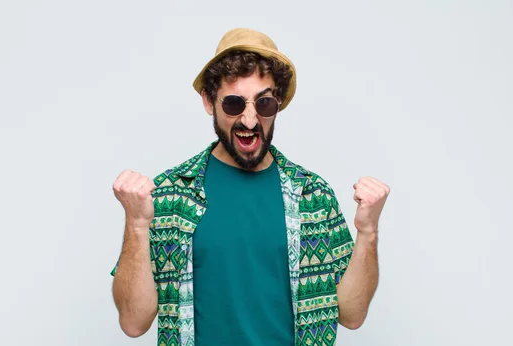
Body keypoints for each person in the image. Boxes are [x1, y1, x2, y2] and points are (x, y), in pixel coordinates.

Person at [110, 27, 390, 346]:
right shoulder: (170, 194)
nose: (249, 120)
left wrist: (368, 232)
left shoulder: (313, 196)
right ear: (208, 101)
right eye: (233, 104)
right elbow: (133, 322)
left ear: (278, 104)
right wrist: (136, 224)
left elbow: (352, 315)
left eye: (264, 103)